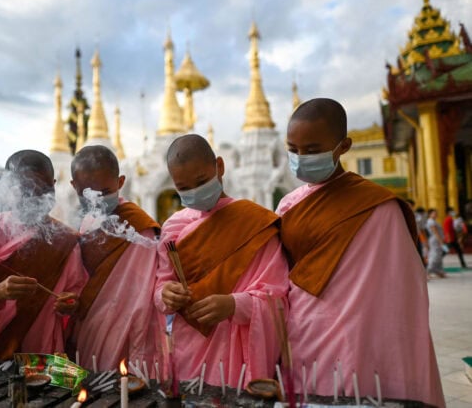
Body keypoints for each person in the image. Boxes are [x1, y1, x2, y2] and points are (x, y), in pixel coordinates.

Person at [276, 98, 444, 406]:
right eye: (293, 150)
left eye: (312, 150)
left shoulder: (379, 206)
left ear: (344, 146)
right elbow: (277, 279)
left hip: (361, 340)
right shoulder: (288, 206)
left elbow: (404, 289)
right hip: (303, 334)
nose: (300, 159)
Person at [155, 134, 289, 388]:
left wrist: (234, 305)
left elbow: (278, 297)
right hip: (189, 350)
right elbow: (161, 285)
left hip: (238, 347)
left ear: (220, 166)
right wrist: (166, 295)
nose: (194, 191)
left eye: (202, 181)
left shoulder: (255, 223)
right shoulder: (174, 227)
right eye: (183, 188)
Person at [0, 149, 88, 360]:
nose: (34, 197)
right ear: (10, 189)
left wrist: (70, 304)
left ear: (53, 185)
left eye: (43, 190)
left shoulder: (68, 241)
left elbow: (77, 298)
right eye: (26, 190)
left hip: (47, 357)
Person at [67, 145, 161, 372]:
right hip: (90, 323)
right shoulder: (87, 222)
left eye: (105, 191)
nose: (97, 199)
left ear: (120, 182)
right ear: (74, 187)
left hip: (128, 327)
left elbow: (143, 290)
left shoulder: (140, 227)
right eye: (88, 193)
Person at [427, 208, 448, 279]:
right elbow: (435, 232)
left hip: (437, 240)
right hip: (435, 240)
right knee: (434, 256)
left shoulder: (434, 221)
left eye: (436, 213)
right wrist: (441, 241)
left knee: (438, 256)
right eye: (434, 213)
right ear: (429, 214)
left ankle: (438, 271)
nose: (435, 215)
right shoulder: (431, 222)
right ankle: (428, 271)